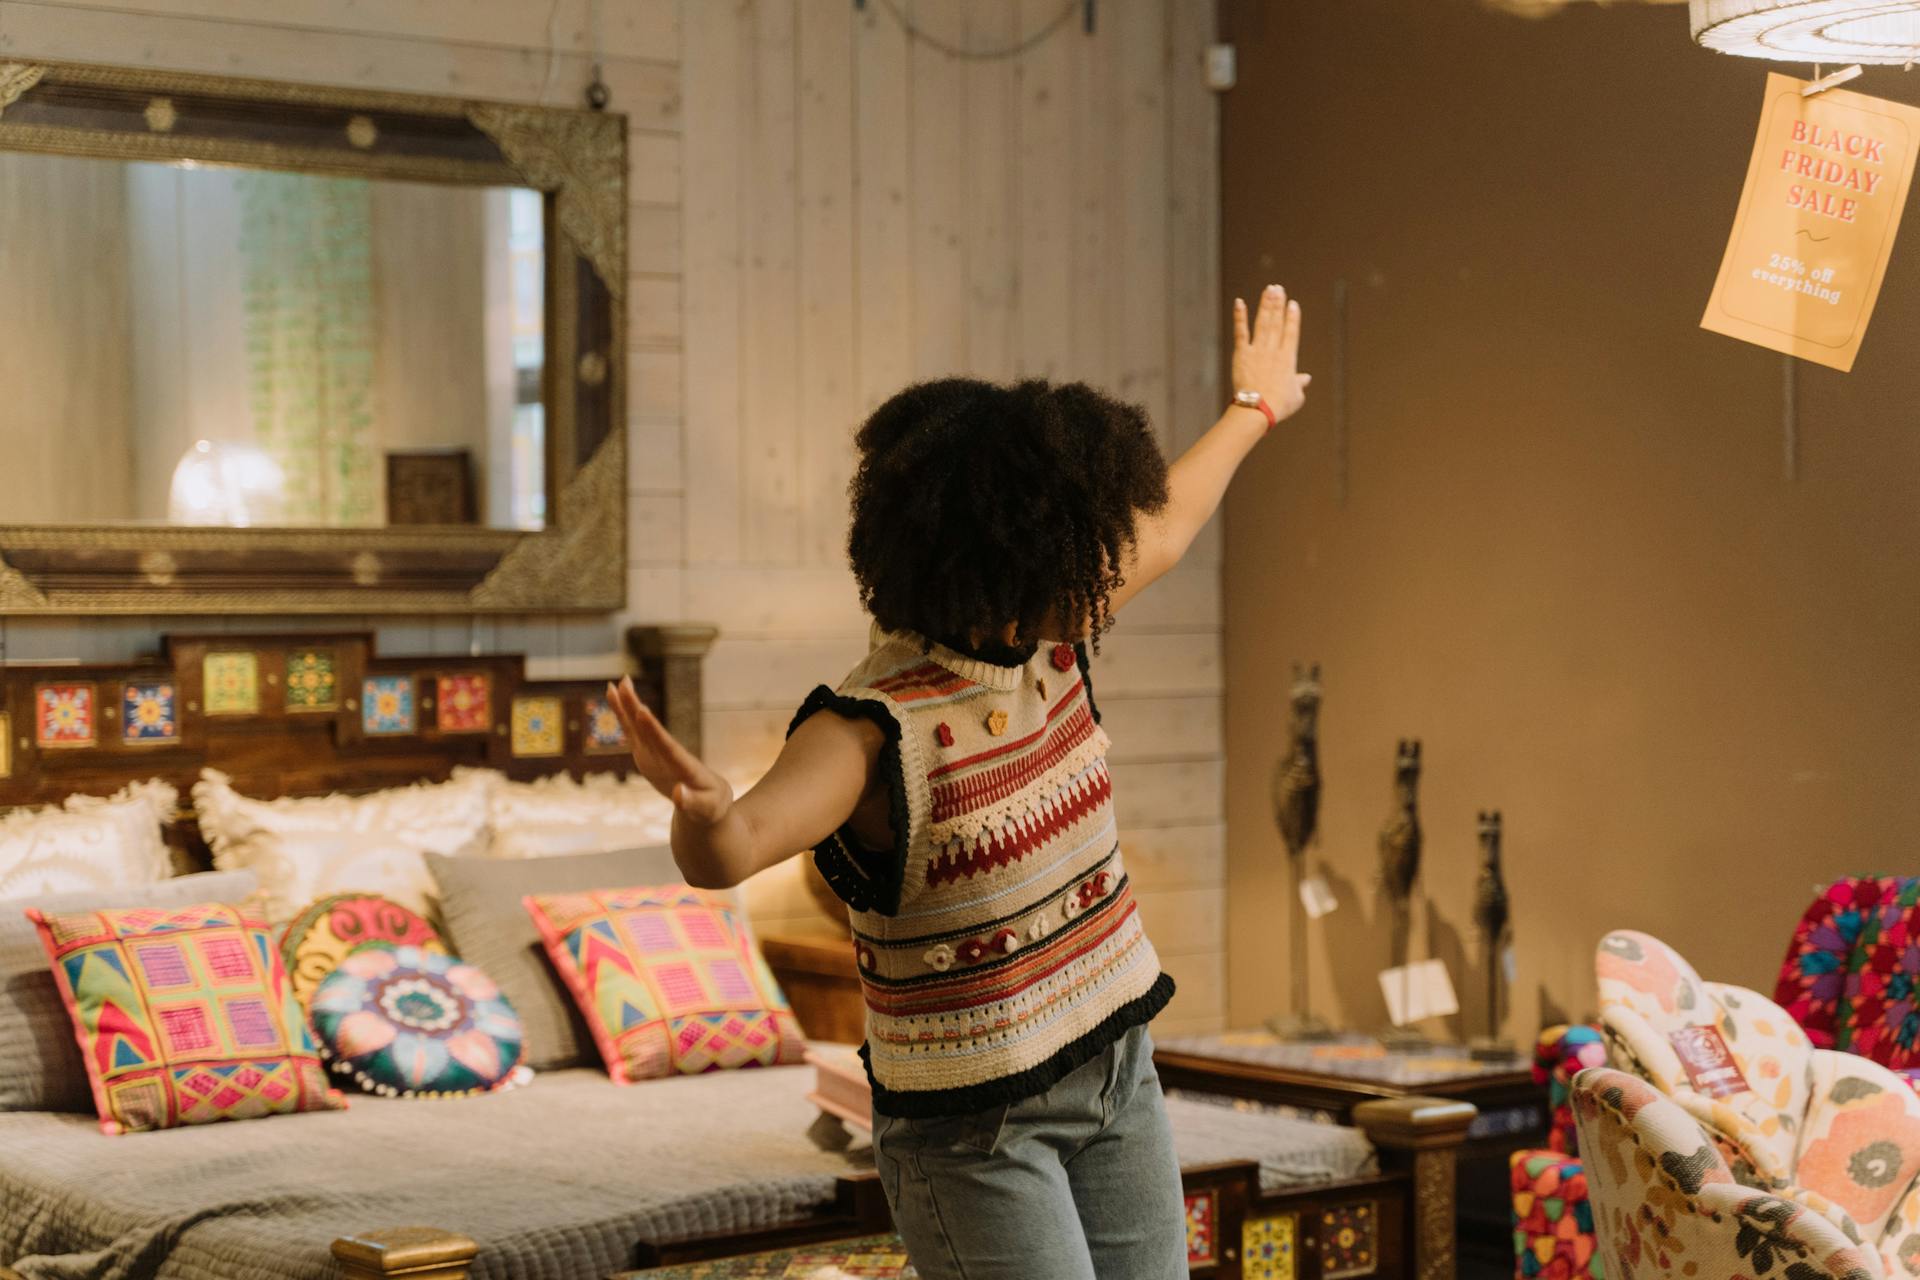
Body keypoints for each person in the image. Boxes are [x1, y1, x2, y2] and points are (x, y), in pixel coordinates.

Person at [606, 284, 1309, 1280]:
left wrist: (1257, 405)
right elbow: (734, 850)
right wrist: (705, 809)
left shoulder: (1051, 636)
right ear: (994, 567)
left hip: (1114, 1066)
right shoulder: (870, 728)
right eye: (1072, 552)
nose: (1100, 572)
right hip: (976, 1125)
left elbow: (1174, 524)